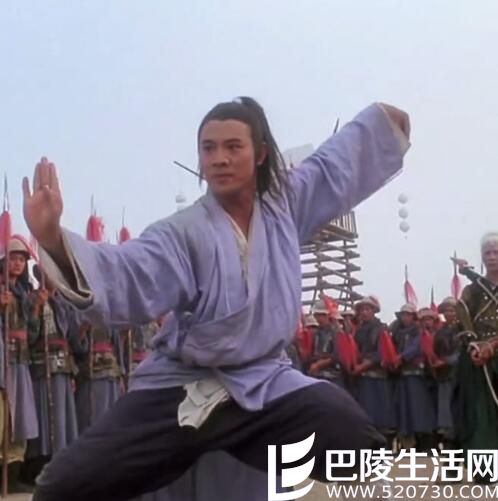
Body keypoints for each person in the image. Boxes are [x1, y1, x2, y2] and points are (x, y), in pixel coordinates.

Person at [23, 97, 410, 500]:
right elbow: (129, 271)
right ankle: (202, 441)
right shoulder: (183, 231)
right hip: (183, 388)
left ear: (260, 154)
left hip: (264, 382)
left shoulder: (286, 204)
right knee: (63, 486)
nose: (219, 159)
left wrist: (381, 126)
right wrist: (53, 239)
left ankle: (245, 438)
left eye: (233, 147)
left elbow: (332, 167)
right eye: (209, 148)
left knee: (355, 443)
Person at [454, 233, 498, 483]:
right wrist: (474, 346)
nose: (491, 257)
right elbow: (462, 315)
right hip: (479, 360)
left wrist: (493, 345)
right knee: (481, 416)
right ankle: (486, 471)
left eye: (496, 252)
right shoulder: (472, 290)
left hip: (493, 351)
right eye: (487, 253)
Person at [25, 272, 78, 478]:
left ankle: (62, 460)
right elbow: (30, 335)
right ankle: (40, 462)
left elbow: (72, 336)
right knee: (44, 414)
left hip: (63, 363)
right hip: (42, 362)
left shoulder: (63, 304)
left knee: (63, 416)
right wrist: (37, 307)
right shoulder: (31, 298)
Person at [0, 236, 39, 493]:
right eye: (13, 259)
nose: (17, 263)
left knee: (21, 419)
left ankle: (13, 476)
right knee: (3, 418)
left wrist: (36, 309)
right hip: (2, 360)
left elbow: (33, 335)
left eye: (22, 260)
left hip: (21, 360)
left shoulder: (24, 294)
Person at [352, 296, 396, 448]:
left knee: (381, 412)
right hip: (363, 377)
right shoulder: (358, 331)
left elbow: (383, 351)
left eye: (367, 309)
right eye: (362, 309)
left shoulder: (382, 329)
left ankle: (384, 445)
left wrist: (365, 364)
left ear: (374, 311)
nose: (364, 312)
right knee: (365, 412)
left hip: (377, 375)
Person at [391, 304, 436, 451]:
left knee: (419, 408)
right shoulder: (397, 333)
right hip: (402, 375)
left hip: (417, 375)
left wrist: (401, 357)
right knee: (405, 410)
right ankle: (408, 444)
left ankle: (425, 443)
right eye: (403, 315)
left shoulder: (419, 332)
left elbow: (416, 347)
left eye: (408, 315)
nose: (405, 318)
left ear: (413, 317)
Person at [432, 297, 461, 448]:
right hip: (444, 374)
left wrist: (447, 361)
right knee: (445, 406)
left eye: (452, 310)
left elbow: (463, 351)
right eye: (446, 310)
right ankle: (448, 437)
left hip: (461, 373)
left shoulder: (464, 329)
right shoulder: (440, 332)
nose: (450, 313)